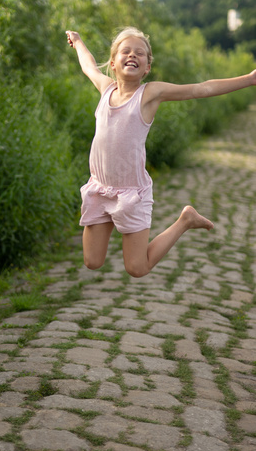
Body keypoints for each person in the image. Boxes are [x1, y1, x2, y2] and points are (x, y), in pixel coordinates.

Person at [66, 27, 256, 278]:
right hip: (100, 189)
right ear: (113, 62)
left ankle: (185, 220)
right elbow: (88, 66)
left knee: (137, 267)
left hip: (131, 193)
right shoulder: (106, 89)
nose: (133, 55)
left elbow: (201, 88)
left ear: (147, 68)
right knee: (92, 261)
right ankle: (112, 217)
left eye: (140, 53)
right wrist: (78, 42)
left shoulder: (149, 94)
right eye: (126, 51)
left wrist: (250, 78)